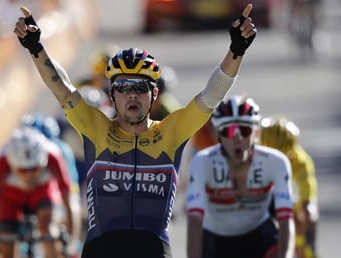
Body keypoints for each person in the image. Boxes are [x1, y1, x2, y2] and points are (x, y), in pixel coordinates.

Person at [13, 3, 257, 257]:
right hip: (101, 249)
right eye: (124, 87)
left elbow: (211, 96)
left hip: (152, 249)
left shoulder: (171, 132)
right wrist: (35, 47)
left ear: (154, 95)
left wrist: (236, 50)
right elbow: (62, 88)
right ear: (112, 94)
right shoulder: (96, 128)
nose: (132, 95)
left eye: (140, 88)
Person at [185, 95, 296, 258]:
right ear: (219, 136)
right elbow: (194, 221)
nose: (237, 139)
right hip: (216, 239)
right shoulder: (202, 162)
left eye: (244, 130)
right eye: (228, 131)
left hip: (259, 234)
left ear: (256, 132)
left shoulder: (276, 162)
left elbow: (286, 219)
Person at [0, 126, 74, 258]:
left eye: (35, 169)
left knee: (47, 230)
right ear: (13, 165)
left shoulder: (53, 156)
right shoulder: (1, 163)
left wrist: (68, 243)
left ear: (43, 162)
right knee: (6, 239)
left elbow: (68, 202)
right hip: (11, 196)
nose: (29, 176)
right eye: (23, 171)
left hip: (41, 191)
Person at [21, 113, 85, 253]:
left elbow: (71, 191)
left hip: (54, 196)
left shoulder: (60, 151)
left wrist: (70, 239)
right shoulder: (17, 148)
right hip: (30, 195)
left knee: (54, 233)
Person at [261, 115, 319, 258]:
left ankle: (306, 249)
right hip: (264, 197)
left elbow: (308, 207)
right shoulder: (257, 156)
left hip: (286, 199)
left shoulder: (301, 161)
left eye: (284, 154)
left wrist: (307, 242)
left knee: (303, 215)